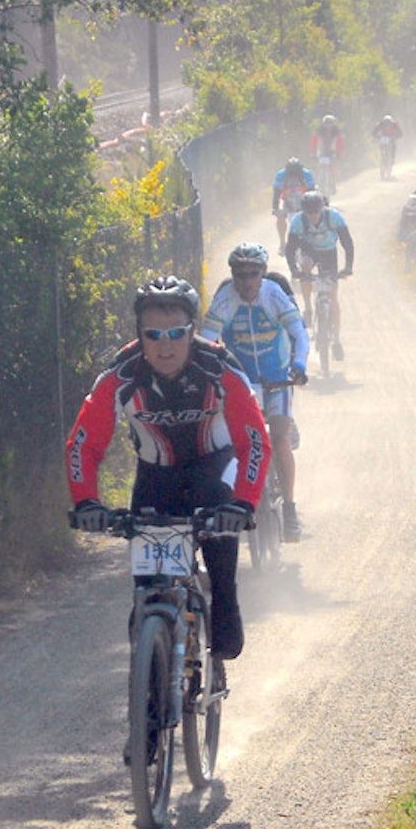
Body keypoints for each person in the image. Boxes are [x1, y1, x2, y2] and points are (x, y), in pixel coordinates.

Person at [66, 276, 269, 667]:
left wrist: (244, 502)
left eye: (176, 333)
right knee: (145, 590)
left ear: (192, 332)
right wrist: (87, 502)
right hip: (156, 475)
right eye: (153, 334)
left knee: (219, 528)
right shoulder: (121, 375)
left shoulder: (218, 368)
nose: (165, 345)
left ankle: (224, 603)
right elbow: (83, 444)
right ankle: (150, 674)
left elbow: (254, 441)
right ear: (139, 335)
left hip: (214, 465)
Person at [201, 244, 310, 541]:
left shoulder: (274, 295)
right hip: (242, 382)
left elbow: (299, 334)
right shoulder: (225, 300)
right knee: (237, 443)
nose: (247, 281)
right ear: (233, 275)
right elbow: (204, 344)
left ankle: (289, 509)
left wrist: (298, 364)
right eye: (240, 274)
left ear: (263, 274)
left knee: (280, 438)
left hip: (276, 377)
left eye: (253, 274)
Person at [283, 191, 355, 361]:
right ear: (304, 211)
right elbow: (291, 249)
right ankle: (308, 307)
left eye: (316, 212)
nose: (314, 216)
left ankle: (336, 340)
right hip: (308, 251)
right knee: (305, 267)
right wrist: (294, 270)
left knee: (332, 295)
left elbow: (347, 243)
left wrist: (348, 267)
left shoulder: (335, 217)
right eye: (310, 213)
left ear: (322, 208)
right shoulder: (298, 221)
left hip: (329, 253)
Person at [271, 157, 316, 256]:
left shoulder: (307, 173)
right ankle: (282, 243)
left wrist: (313, 206)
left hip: (304, 200)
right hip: (286, 201)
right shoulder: (281, 175)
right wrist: (275, 208)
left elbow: (312, 191)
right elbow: (276, 193)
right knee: (280, 216)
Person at [308, 114, 345, 195]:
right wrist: (312, 153)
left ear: (333, 124)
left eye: (330, 124)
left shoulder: (337, 132)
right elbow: (314, 142)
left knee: (334, 166)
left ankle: (332, 183)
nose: (328, 126)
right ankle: (319, 183)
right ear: (323, 124)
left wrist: (339, 154)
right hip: (321, 152)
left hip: (332, 151)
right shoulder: (318, 131)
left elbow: (340, 143)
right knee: (319, 166)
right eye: (326, 124)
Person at [372, 114, 403, 179]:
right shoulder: (380, 124)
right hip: (383, 138)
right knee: (381, 149)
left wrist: (395, 137)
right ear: (383, 122)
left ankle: (392, 159)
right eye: (385, 123)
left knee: (393, 148)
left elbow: (400, 133)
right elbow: (374, 131)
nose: (387, 124)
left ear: (391, 122)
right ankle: (382, 162)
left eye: (388, 123)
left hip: (391, 138)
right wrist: (377, 137)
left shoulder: (394, 124)